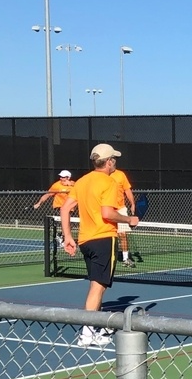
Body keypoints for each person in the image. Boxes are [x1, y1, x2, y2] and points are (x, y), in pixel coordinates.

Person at [60, 144, 140, 348]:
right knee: (98, 287)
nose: (116, 162)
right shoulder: (109, 182)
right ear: (109, 162)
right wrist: (128, 219)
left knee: (96, 286)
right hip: (103, 238)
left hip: (85, 240)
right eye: (114, 159)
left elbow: (65, 209)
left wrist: (68, 237)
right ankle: (87, 333)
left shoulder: (82, 181)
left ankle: (92, 329)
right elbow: (107, 213)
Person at [33, 170, 75, 249]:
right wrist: (39, 203)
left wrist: (71, 184)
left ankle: (60, 235)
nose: (61, 178)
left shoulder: (74, 185)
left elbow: (81, 189)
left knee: (70, 224)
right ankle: (63, 238)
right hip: (59, 207)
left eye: (63, 177)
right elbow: (47, 195)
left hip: (70, 208)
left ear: (68, 178)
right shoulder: (56, 185)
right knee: (65, 221)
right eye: (60, 177)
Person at [110, 161, 138, 267]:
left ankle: (126, 258)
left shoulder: (120, 175)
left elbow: (127, 190)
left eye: (114, 162)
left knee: (122, 235)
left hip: (120, 209)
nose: (112, 164)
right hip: (107, 209)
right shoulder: (101, 176)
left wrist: (132, 204)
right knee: (107, 235)